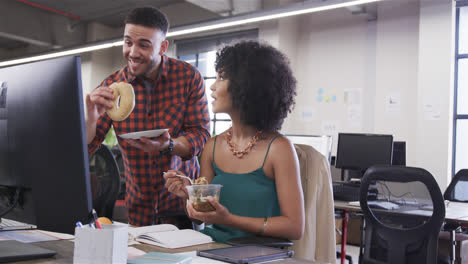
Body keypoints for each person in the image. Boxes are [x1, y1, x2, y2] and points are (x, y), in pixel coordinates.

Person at [164, 41, 304, 243]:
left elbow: (294, 228)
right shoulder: (212, 146)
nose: (212, 86)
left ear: (246, 86)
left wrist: (229, 219)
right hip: (212, 248)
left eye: (222, 77)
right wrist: (190, 193)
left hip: (259, 254)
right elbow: (201, 214)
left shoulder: (279, 149)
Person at [86, 7, 210, 227]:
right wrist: (90, 118)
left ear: (163, 47)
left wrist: (169, 145)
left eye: (144, 45)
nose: (133, 52)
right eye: (128, 43)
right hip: (139, 213)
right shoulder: (110, 87)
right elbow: (86, 148)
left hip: (182, 210)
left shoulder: (188, 77)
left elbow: (200, 136)